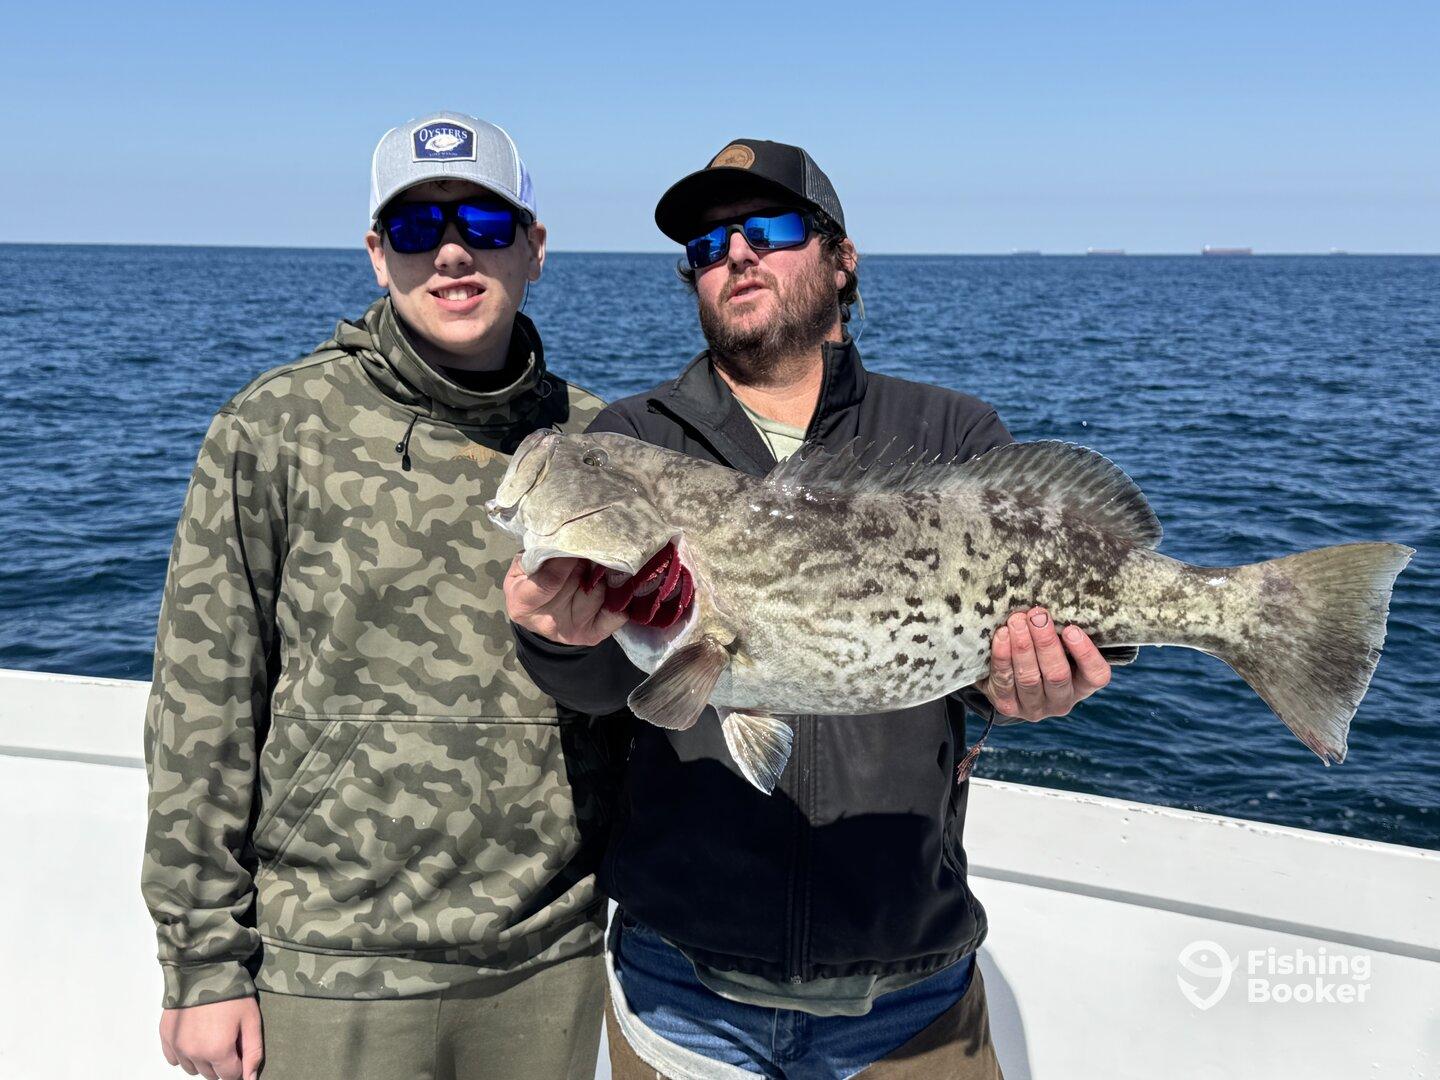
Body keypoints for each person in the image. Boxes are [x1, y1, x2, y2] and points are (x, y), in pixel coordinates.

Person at [505, 139, 1115, 1079]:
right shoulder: (631, 439)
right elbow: (598, 684)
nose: (737, 254)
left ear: (841, 256)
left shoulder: (947, 435)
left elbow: (1022, 656)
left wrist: (1027, 688)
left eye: (770, 229)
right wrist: (551, 636)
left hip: (912, 995)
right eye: (708, 246)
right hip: (684, 992)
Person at [142, 111, 619, 1080]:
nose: (450, 252)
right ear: (375, 253)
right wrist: (202, 963)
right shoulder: (271, 431)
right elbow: (202, 712)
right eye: (415, 228)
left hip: (548, 960)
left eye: (484, 225)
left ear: (534, 246)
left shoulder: (605, 446)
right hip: (332, 967)